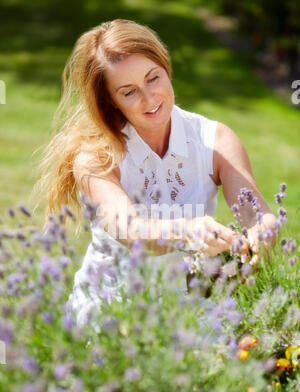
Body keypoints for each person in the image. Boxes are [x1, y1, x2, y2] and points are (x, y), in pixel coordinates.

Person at [33, 19, 278, 328]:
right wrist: (188, 230)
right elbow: (129, 229)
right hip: (111, 315)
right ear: (110, 99)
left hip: (191, 318)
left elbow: (259, 216)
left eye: (153, 78)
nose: (150, 99)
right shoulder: (95, 156)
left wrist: (258, 237)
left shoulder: (215, 139)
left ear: (166, 67)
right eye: (129, 92)